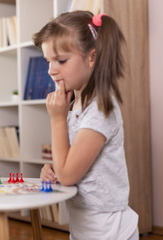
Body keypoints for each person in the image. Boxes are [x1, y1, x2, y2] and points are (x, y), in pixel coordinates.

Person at [33, 11, 139, 240]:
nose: (51, 70)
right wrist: (54, 171)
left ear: (92, 58)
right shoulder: (77, 104)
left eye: (61, 60)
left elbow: (69, 175)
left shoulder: (100, 109)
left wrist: (57, 119)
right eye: (48, 61)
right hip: (85, 225)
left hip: (109, 228)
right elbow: (69, 166)